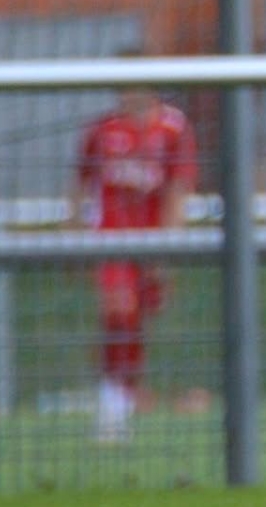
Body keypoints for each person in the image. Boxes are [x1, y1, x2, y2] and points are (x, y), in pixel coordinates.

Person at [71, 53, 197, 444]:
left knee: (137, 323)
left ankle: (122, 397)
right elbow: (80, 187)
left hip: (151, 241)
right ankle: (110, 403)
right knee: (118, 313)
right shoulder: (102, 130)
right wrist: (74, 236)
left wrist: (166, 248)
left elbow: (178, 189)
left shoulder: (173, 129)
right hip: (111, 240)